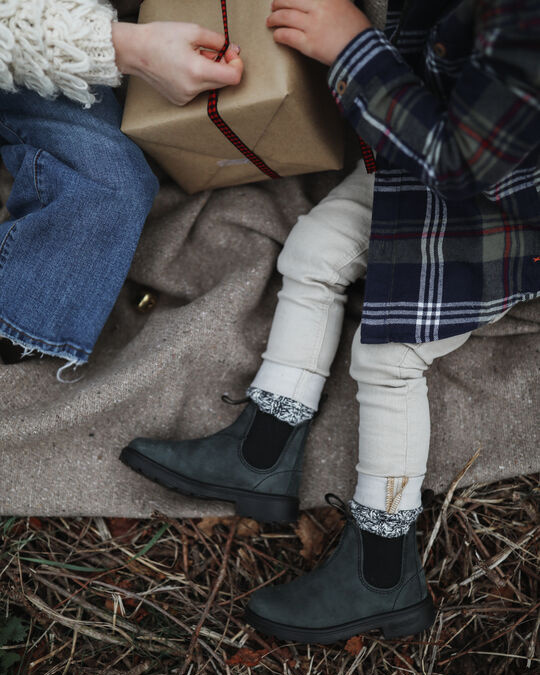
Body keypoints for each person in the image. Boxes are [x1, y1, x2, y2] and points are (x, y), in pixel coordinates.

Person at [121, 0, 540, 644]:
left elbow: (466, 165)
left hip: (496, 207)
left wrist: (353, 48)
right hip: (418, 147)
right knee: (313, 250)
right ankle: (261, 451)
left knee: (391, 359)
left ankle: (382, 574)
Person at [0, 0, 243, 371]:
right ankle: (21, 316)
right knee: (110, 185)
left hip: (73, 18)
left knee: (113, 184)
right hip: (25, 32)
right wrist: (128, 48)